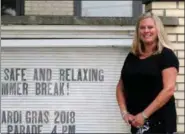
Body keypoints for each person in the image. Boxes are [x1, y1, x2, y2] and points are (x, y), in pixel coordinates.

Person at [116, 12, 179, 134]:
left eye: (150, 27)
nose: (146, 31)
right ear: (138, 31)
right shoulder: (132, 56)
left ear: (158, 30)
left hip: (160, 123)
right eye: (142, 28)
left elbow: (169, 90)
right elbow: (120, 87)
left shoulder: (166, 56)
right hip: (137, 123)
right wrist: (124, 113)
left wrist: (144, 115)